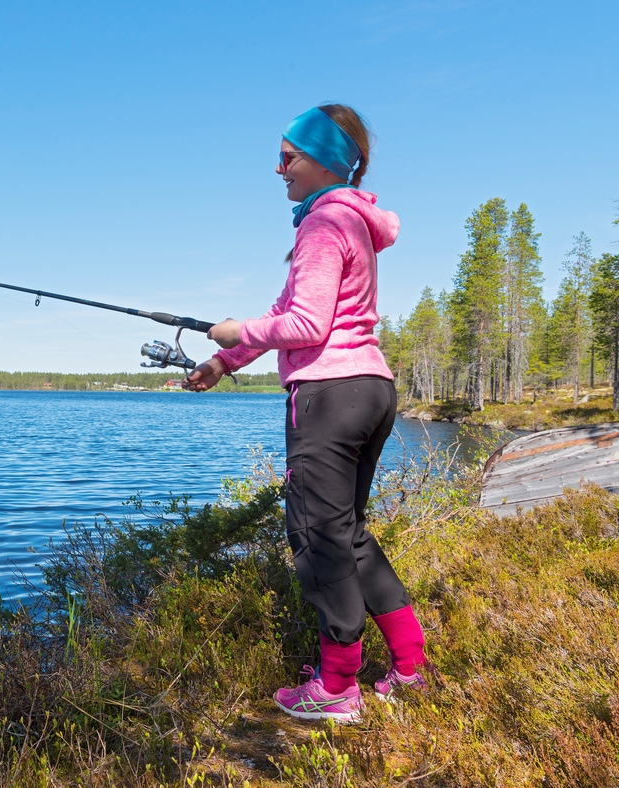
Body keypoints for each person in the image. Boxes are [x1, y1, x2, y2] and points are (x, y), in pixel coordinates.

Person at [185, 105, 428, 723]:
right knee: (347, 533)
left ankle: (337, 686)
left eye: (288, 156)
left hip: (328, 394)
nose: (278, 167)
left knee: (319, 540)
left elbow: (305, 324)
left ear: (324, 159)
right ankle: (409, 664)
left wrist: (237, 327)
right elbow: (288, 307)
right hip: (371, 387)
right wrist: (226, 359)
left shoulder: (324, 224)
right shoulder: (352, 222)